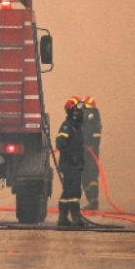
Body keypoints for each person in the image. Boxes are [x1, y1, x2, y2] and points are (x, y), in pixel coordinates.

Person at [56, 96, 86, 227]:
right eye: (75, 110)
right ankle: (75, 218)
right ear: (70, 112)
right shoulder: (67, 126)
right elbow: (60, 143)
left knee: (67, 191)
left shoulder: (76, 127)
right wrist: (71, 157)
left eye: (79, 110)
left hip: (75, 164)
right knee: (74, 192)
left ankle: (62, 218)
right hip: (69, 165)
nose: (78, 113)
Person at [80, 95, 102, 210]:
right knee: (84, 176)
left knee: (92, 174)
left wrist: (93, 146)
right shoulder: (81, 115)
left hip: (91, 151)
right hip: (82, 150)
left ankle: (94, 200)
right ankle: (91, 201)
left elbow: (96, 134)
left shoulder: (93, 117)